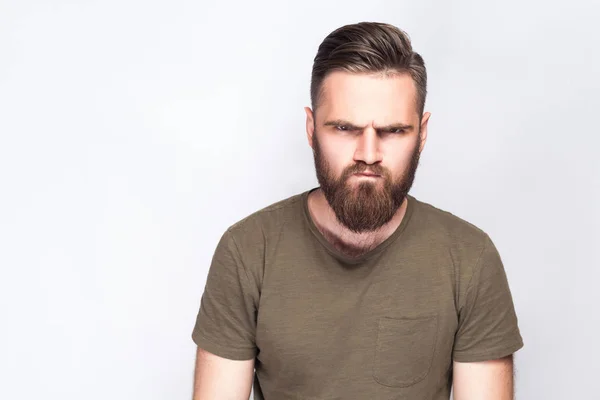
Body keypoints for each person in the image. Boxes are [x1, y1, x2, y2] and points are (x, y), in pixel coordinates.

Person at [191, 21, 524, 400]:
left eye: (393, 131)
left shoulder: (469, 258)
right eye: (345, 128)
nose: (368, 155)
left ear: (423, 132)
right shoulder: (248, 250)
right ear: (311, 128)